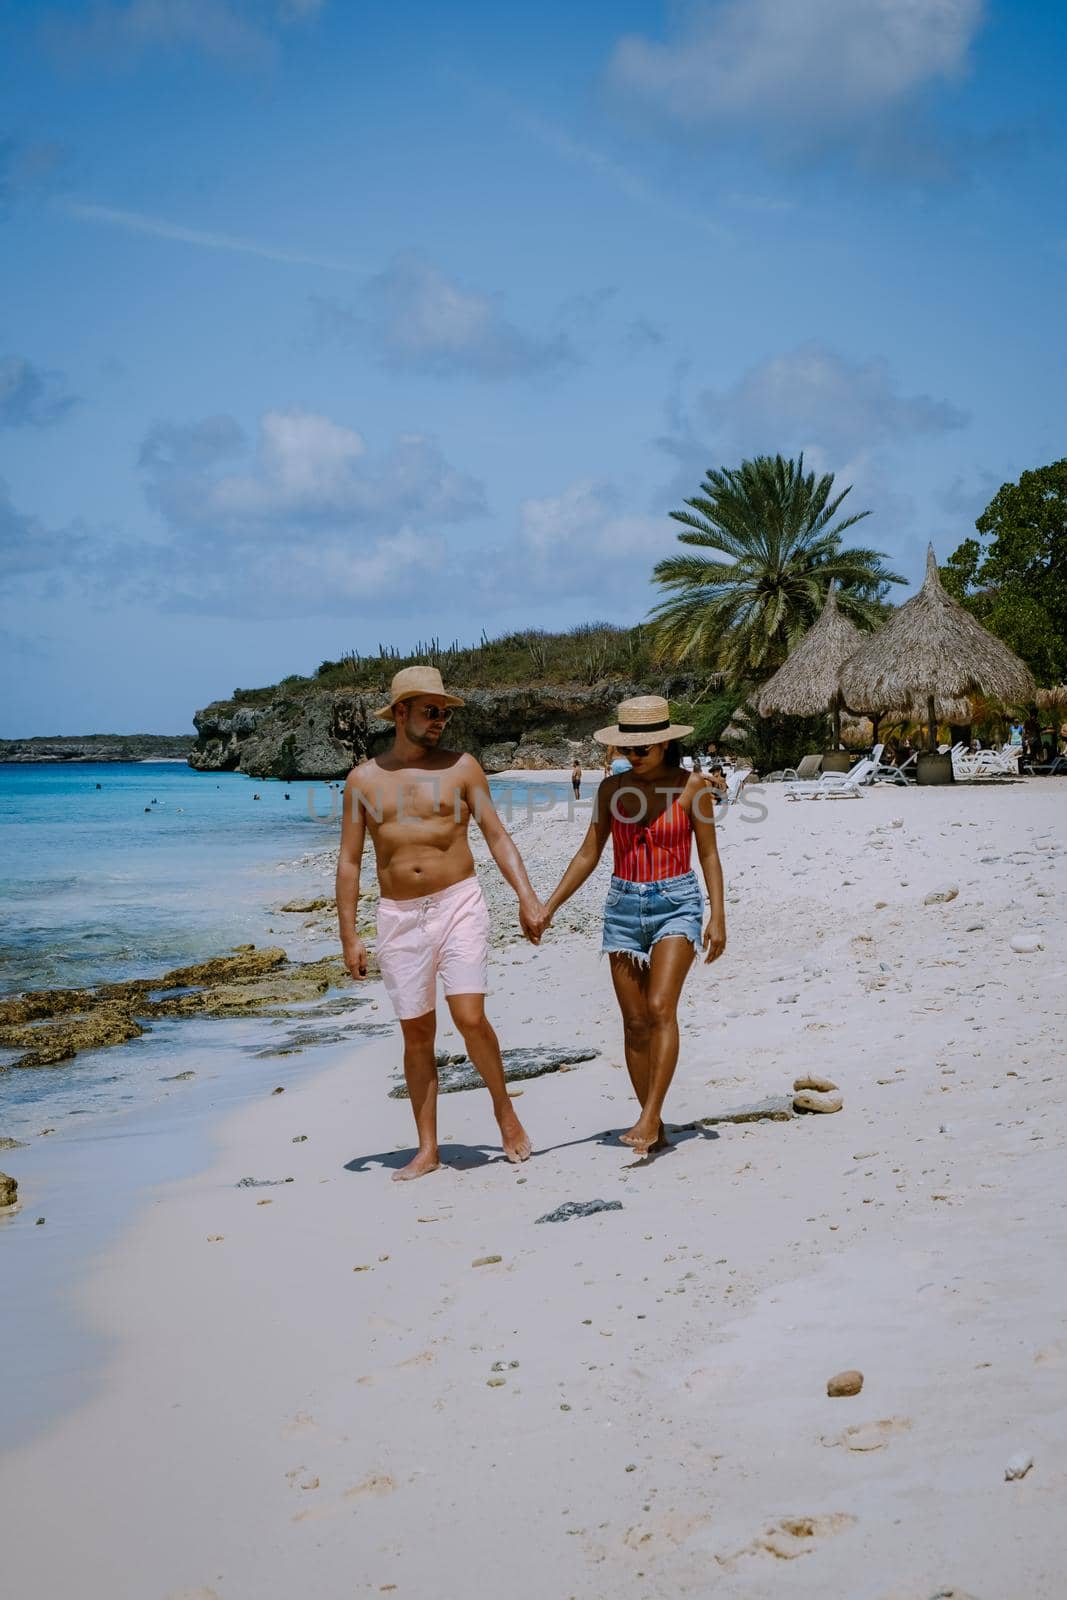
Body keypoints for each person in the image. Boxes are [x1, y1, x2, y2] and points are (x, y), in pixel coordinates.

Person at [336, 667, 542, 1180]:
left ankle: (503, 1108)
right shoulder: (363, 779)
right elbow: (349, 860)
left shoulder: (463, 768)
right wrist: (349, 933)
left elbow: (496, 835)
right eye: (431, 711)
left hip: (459, 903)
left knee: (469, 1015)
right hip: (398, 916)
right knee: (417, 1033)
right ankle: (428, 1148)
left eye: (445, 713)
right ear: (400, 713)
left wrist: (527, 897)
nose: (441, 721)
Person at [534, 695, 727, 1159]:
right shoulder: (610, 792)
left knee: (661, 1007)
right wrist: (549, 907)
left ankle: (647, 1116)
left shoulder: (691, 788)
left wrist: (718, 914)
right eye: (628, 750)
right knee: (635, 1022)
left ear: (664, 744)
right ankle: (653, 1123)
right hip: (622, 906)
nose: (634, 757)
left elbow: (708, 854)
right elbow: (588, 854)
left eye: (642, 749)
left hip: (677, 902)